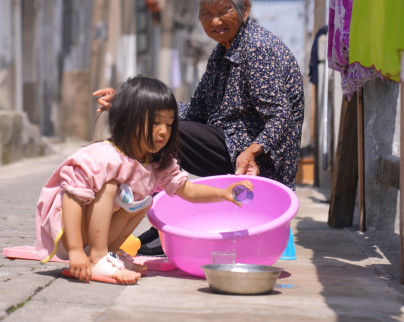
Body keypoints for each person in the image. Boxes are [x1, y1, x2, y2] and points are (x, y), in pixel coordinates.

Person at [94, 0, 304, 254]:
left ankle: (151, 223)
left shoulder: (256, 48)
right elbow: (195, 110)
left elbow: (281, 117)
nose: (214, 21)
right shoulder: (222, 52)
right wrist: (130, 102)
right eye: (206, 13)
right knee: (155, 127)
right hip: (230, 145)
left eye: (223, 11)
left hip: (257, 162)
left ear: (245, 8)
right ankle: (157, 225)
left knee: (163, 135)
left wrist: (253, 151)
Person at [35, 75, 251, 284]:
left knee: (145, 201)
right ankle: (99, 258)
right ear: (129, 121)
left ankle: (108, 254)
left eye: (169, 124)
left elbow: (188, 190)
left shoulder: (157, 163)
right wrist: (74, 251)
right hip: (69, 234)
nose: (163, 131)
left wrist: (223, 193)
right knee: (109, 184)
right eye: (156, 122)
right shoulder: (105, 156)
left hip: (92, 238)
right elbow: (71, 197)